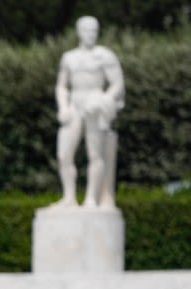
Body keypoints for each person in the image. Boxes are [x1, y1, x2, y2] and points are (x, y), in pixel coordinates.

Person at [54, 16, 125, 209]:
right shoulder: (69, 57)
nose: (91, 34)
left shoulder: (105, 56)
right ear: (78, 32)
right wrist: (63, 107)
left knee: (95, 155)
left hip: (95, 105)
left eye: (94, 30)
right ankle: (69, 197)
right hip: (75, 104)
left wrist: (103, 99)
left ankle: (91, 198)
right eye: (87, 30)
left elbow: (117, 84)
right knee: (64, 155)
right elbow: (62, 86)